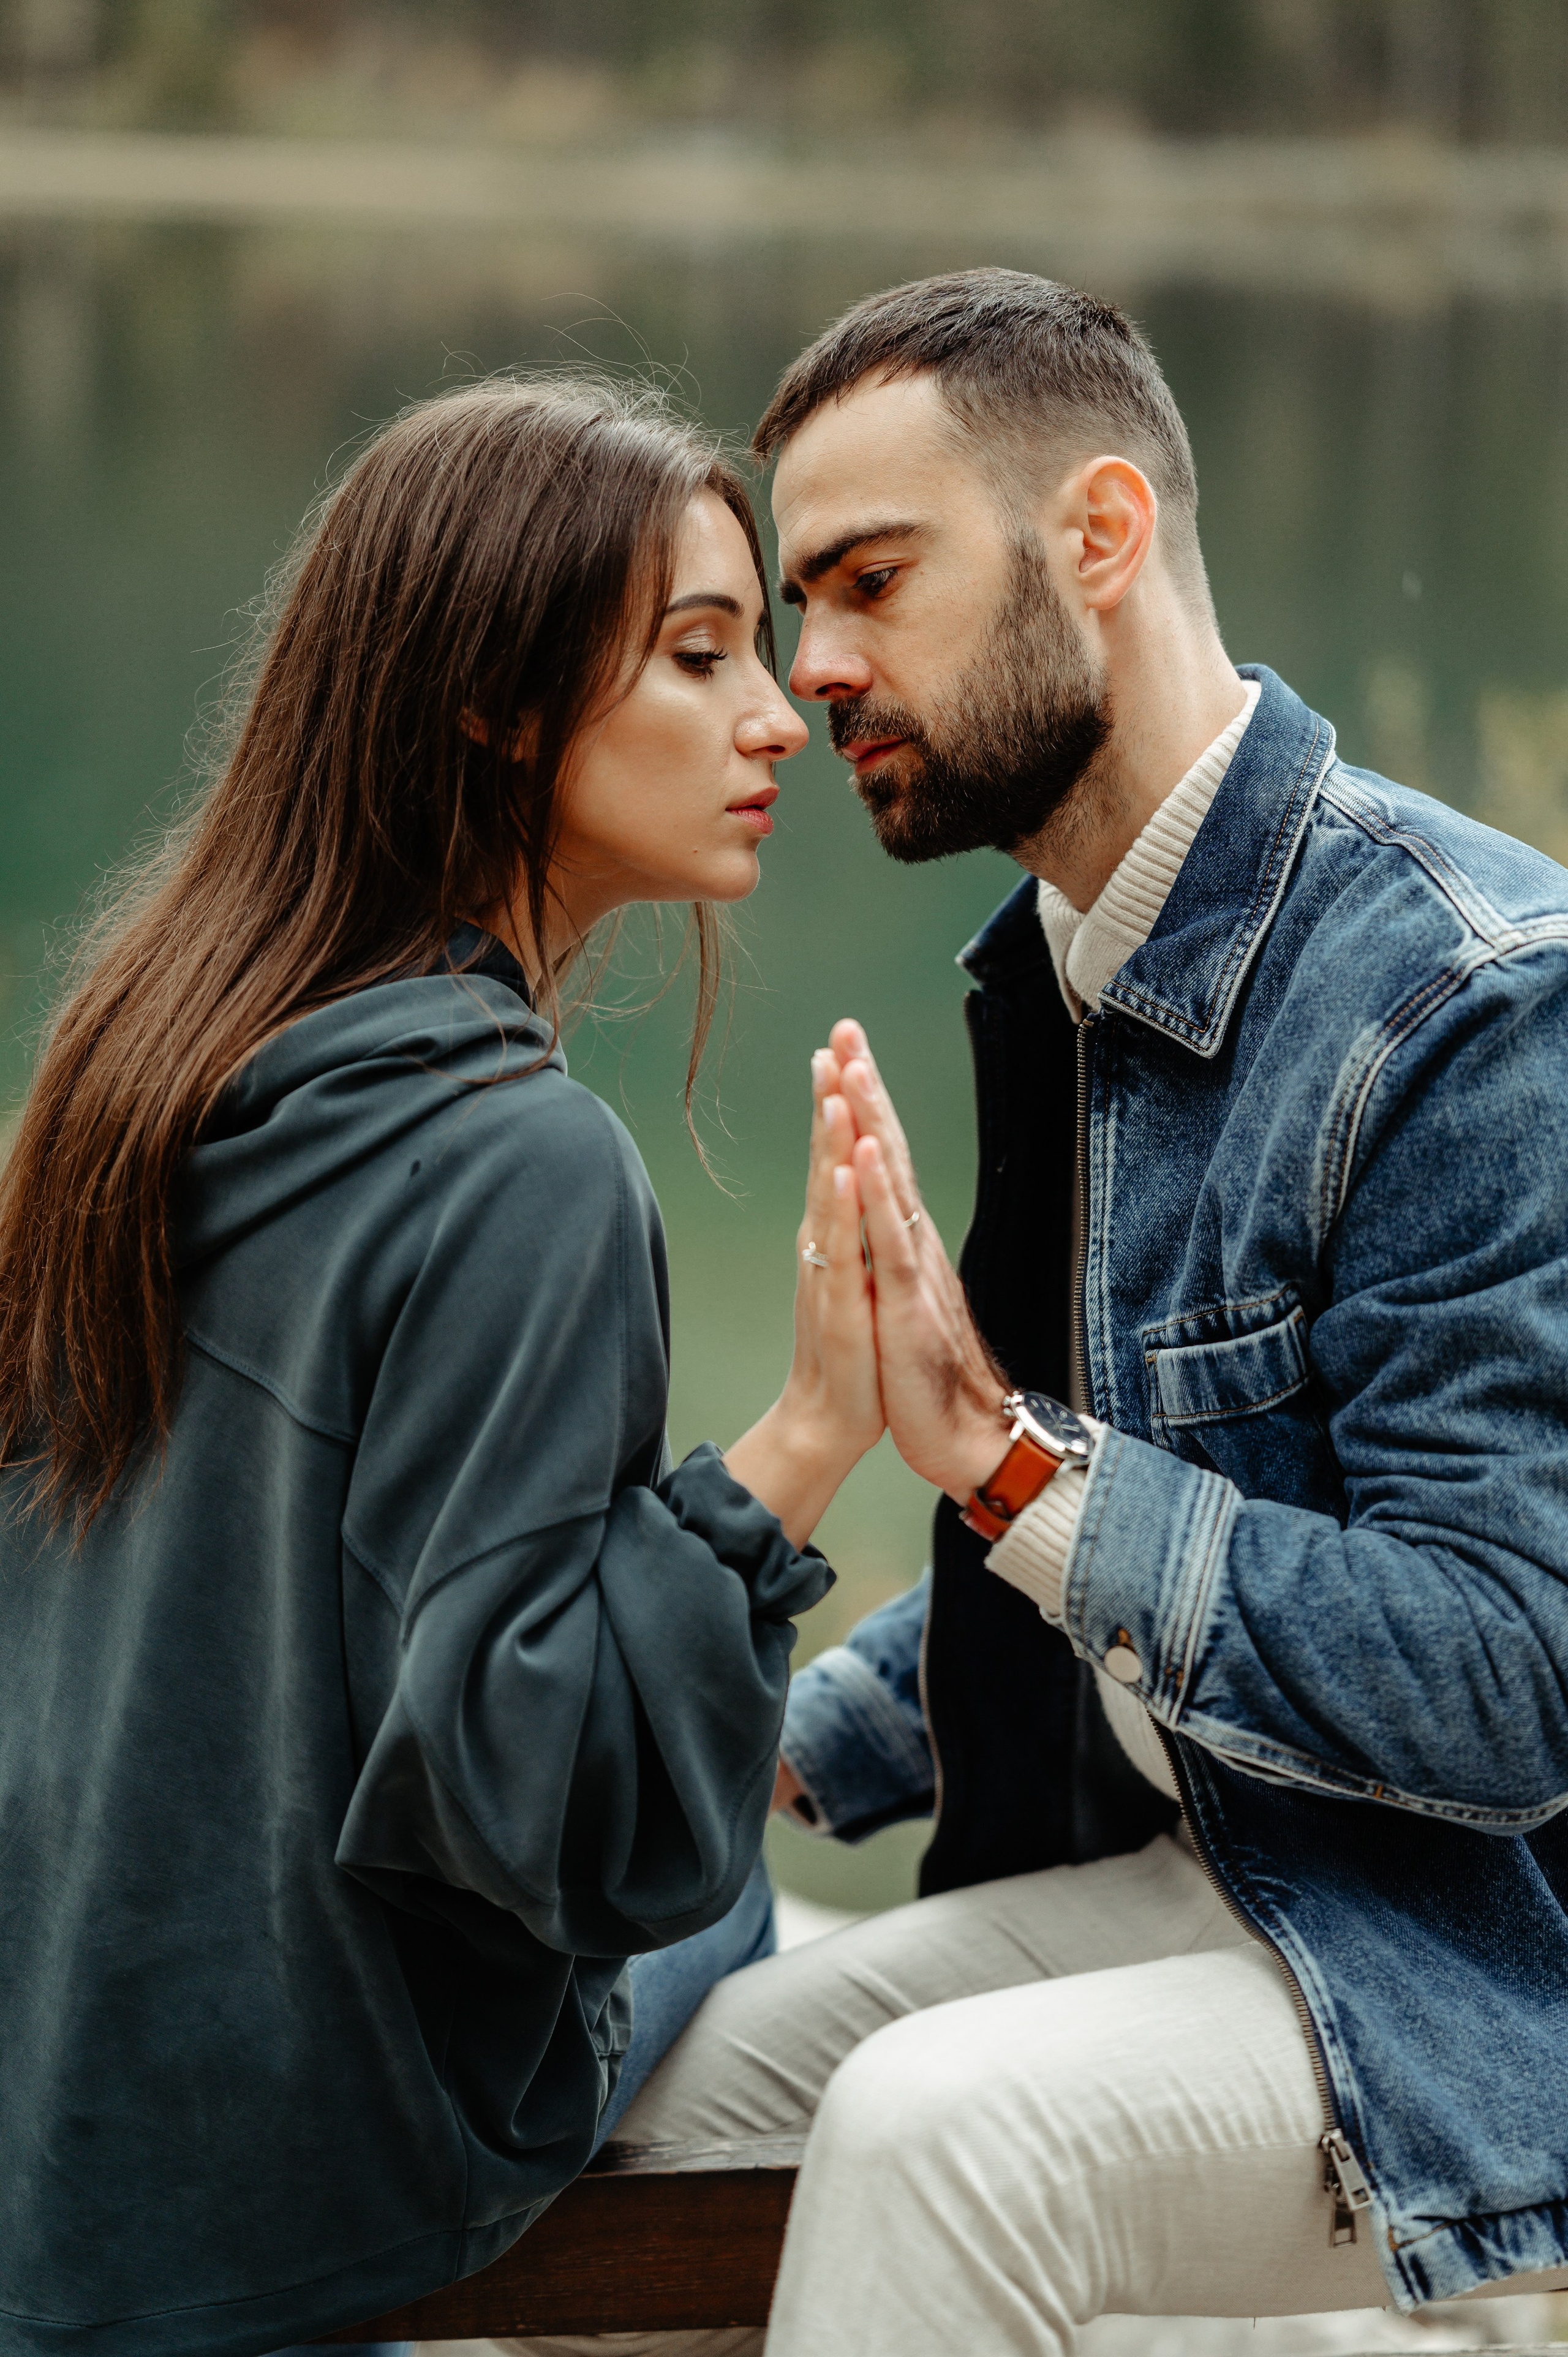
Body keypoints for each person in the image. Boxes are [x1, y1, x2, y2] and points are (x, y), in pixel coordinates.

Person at [581, 271, 1568, 2357]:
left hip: (1469, 1957)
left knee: (939, 2138)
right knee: (659, 2103)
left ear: (1100, 538)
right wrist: (756, 1738)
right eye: (787, 607)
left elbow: (1507, 1683)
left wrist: (1010, 1464)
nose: (810, 672)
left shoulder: (1468, 1000)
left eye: (867, 581)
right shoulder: (1059, 956)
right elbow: (1097, 1533)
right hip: (1210, 1856)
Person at [0, 377, 887, 2357]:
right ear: (489, 704)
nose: (776, 721)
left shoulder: (147, 1054)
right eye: (699, 653)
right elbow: (525, 1800)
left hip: (58, 2116)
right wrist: (803, 1449)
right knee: (730, 1902)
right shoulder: (521, 1166)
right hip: (297, 2176)